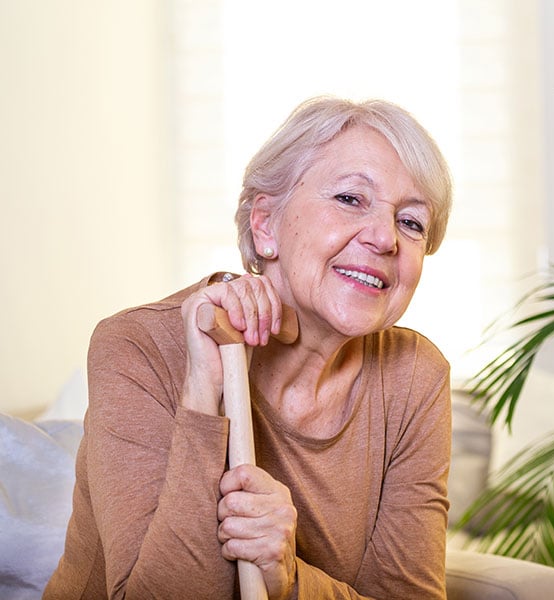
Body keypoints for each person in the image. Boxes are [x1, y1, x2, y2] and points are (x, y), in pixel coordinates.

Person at [44, 96, 453, 599]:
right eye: (350, 198)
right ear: (265, 225)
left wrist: (289, 578)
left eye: (412, 222)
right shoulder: (137, 345)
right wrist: (204, 396)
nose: (386, 239)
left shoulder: (414, 375)